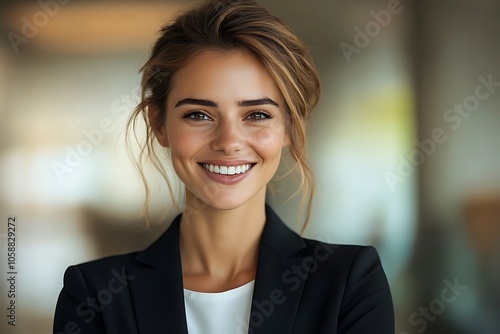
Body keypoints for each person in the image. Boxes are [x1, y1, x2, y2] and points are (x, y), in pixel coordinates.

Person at [53, 0, 394, 333]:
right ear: (158, 125)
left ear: (290, 127)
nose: (229, 141)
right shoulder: (93, 295)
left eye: (257, 115)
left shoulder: (350, 282)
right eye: (199, 115)